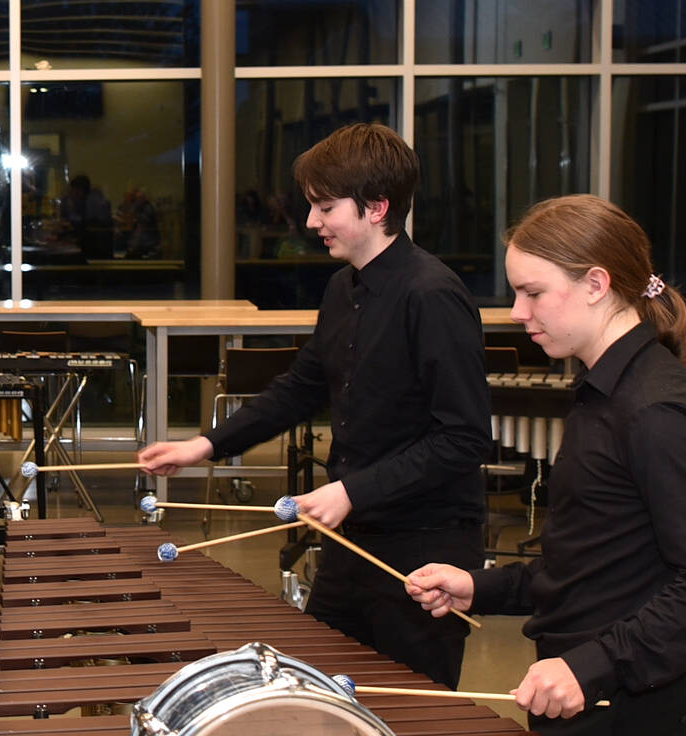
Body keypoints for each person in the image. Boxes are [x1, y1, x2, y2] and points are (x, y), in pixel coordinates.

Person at [405, 195, 686, 736]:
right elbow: (593, 564)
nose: (517, 312)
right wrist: (478, 584)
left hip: (629, 701)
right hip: (584, 686)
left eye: (532, 293)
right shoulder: (601, 393)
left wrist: (590, 668)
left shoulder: (658, 409)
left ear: (596, 284)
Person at [138, 122, 492, 688]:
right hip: (353, 542)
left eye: (325, 207)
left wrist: (352, 491)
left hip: (423, 548)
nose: (311, 223)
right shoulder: (343, 288)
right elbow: (301, 387)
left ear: (376, 208)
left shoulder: (431, 295)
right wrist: (204, 446)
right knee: (320, 699)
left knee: (415, 719)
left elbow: (464, 438)